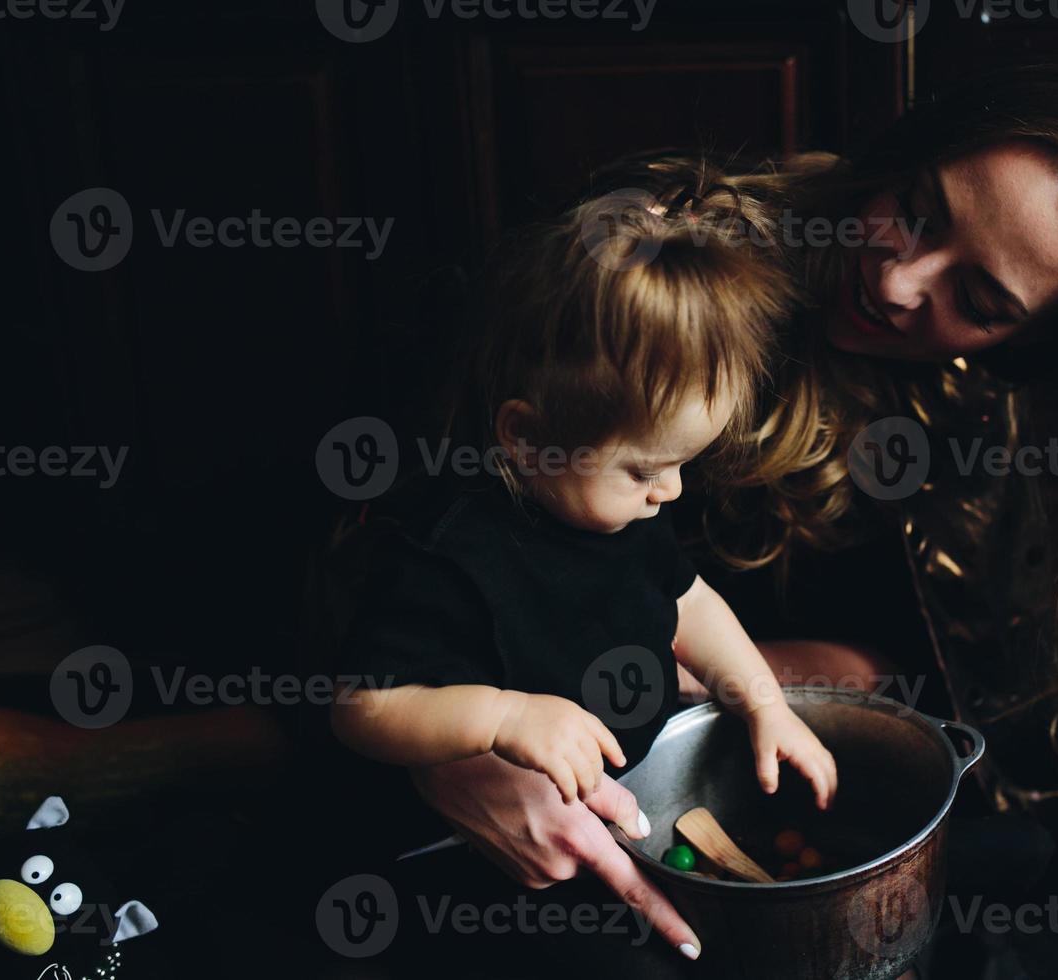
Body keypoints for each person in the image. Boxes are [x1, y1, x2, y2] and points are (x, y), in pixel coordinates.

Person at [396, 60, 1058, 973]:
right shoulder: (669, 256)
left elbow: (906, 666)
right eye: (915, 210)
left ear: (1027, 348)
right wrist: (458, 756)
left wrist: (720, 683)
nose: (902, 282)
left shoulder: (988, 420)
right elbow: (417, 569)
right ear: (907, 152)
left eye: (980, 303)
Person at [327, 174, 836, 969]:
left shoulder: (621, 513)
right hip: (472, 856)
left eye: (680, 466)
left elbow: (690, 603)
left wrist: (764, 702)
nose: (669, 492)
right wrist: (503, 718)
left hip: (621, 799)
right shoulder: (446, 552)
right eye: (644, 470)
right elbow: (364, 708)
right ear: (528, 439)